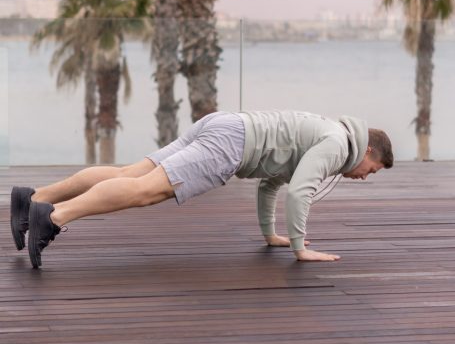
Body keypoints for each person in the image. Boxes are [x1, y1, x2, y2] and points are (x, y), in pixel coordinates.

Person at [10, 110, 393, 269]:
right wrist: (300, 247)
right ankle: (54, 218)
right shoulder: (338, 145)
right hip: (233, 144)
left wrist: (270, 234)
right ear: (369, 151)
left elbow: (274, 183)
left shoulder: (329, 131)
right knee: (146, 191)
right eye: (372, 170)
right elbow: (300, 193)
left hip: (226, 124)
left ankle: (35, 199)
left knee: (129, 172)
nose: (364, 176)